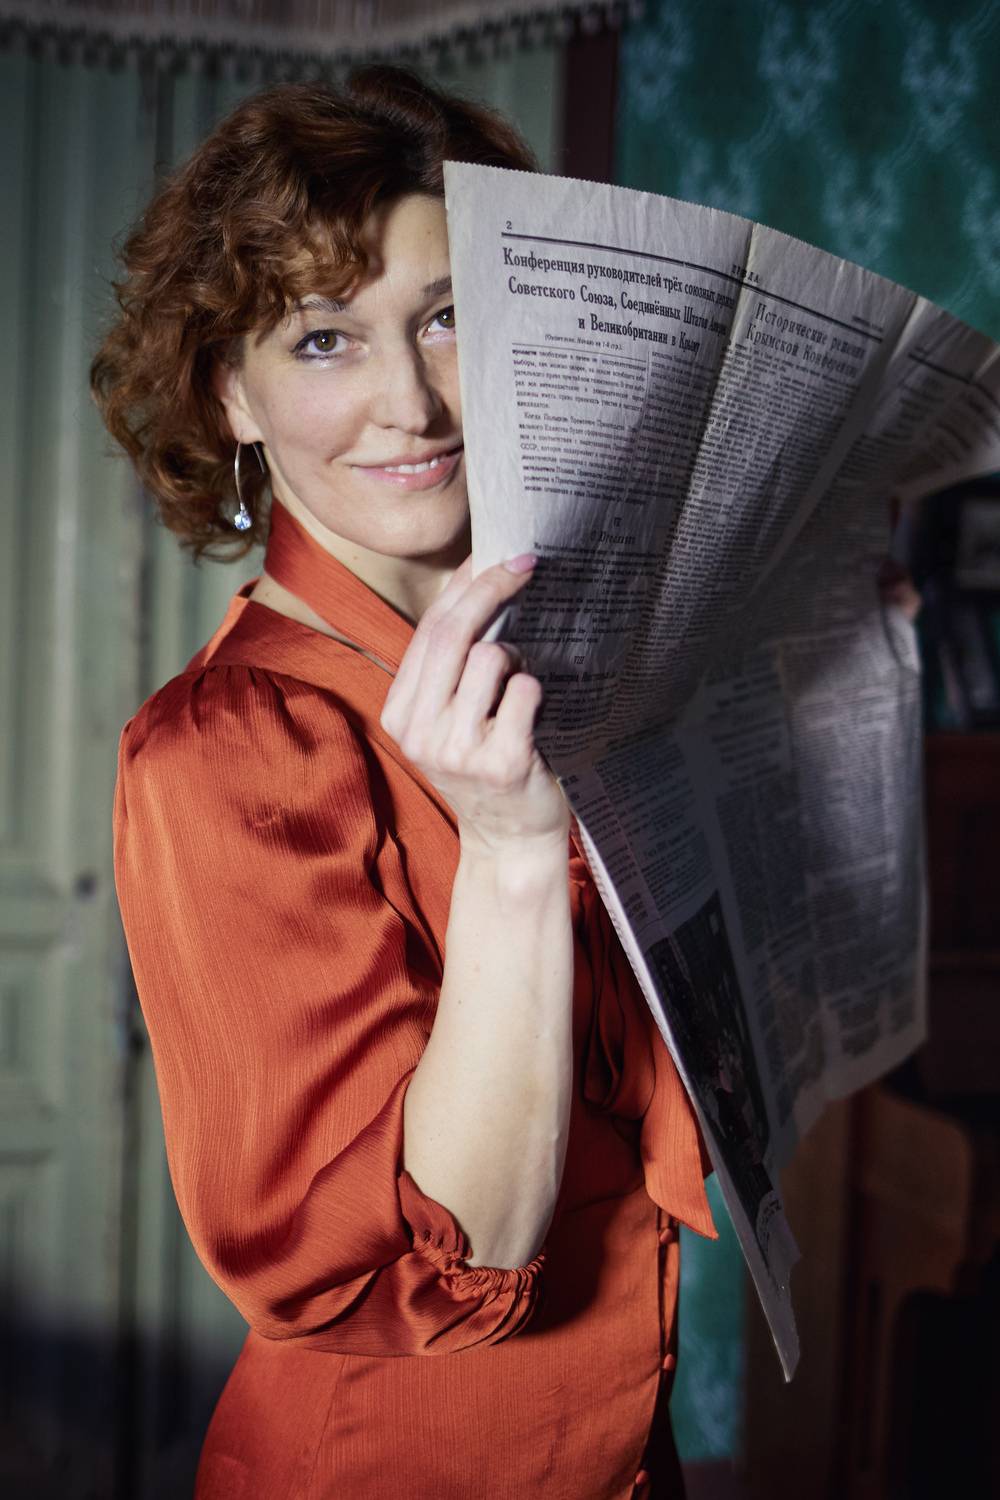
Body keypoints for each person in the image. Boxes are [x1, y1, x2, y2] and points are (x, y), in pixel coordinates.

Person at [92, 66, 718, 1499]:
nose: (414, 403)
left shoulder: (569, 659)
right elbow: (454, 1258)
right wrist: (511, 855)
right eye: (324, 339)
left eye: (446, 316)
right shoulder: (228, 749)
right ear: (230, 393)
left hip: (627, 1449)